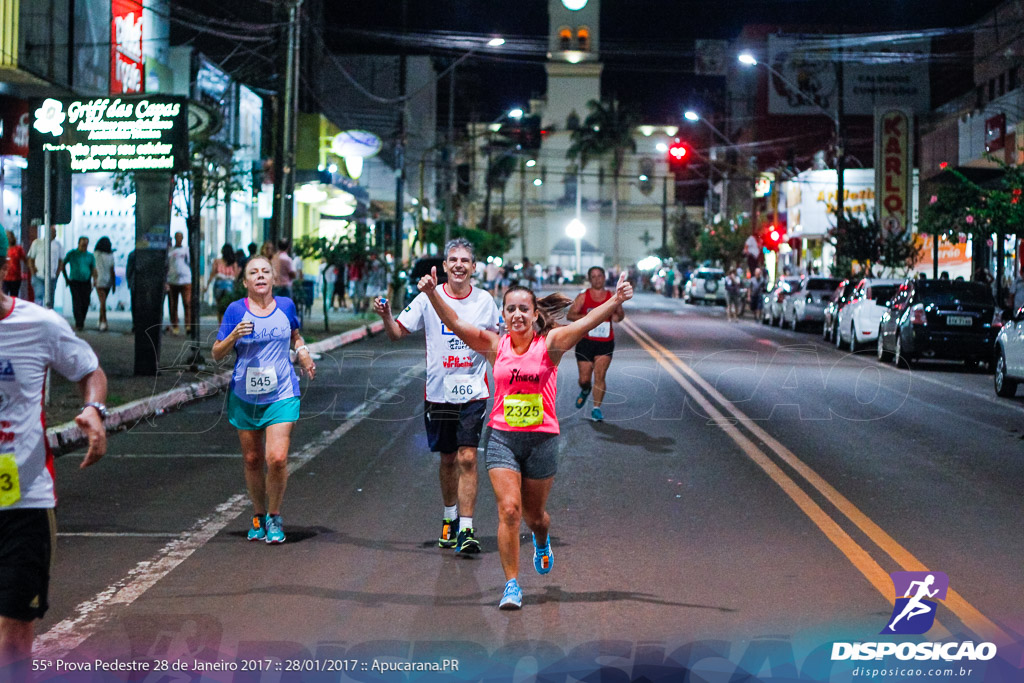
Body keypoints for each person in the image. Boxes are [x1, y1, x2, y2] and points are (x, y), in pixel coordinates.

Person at [418, 266, 633, 610]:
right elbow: (457, 324)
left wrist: (616, 300)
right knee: (509, 510)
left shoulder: (551, 344)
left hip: (542, 441)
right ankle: (512, 584)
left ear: (535, 315)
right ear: (502, 316)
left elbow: (587, 323)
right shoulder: (493, 344)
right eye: (510, 309)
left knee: (535, 516)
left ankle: (542, 539)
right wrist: (432, 294)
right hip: (502, 438)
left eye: (523, 309)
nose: (517, 315)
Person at [0, 228, 108, 676]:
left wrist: (93, 410)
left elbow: (91, 371)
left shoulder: (38, 325)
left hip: (23, 503)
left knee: (13, 638)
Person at [373, 238, 500, 554]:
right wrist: (386, 314)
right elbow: (396, 333)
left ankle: (467, 530)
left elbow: (497, 344)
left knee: (468, 457)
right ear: (444, 266)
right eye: (453, 259)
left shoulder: (484, 301)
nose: (459, 265)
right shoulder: (427, 297)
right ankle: (449, 518)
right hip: (439, 393)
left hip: (473, 391)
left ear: (473, 267)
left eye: (465, 260)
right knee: (447, 459)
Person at [212, 256, 316, 545]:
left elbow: (295, 335)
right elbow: (217, 353)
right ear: (245, 282)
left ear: (274, 279)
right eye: (253, 273)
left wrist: (304, 354)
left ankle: (274, 516)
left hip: (281, 392)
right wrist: (234, 335)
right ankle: (258, 515)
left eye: (265, 272)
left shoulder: (286, 306)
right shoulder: (235, 310)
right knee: (252, 458)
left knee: (277, 458)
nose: (260, 276)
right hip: (245, 394)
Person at [567, 266, 625, 422]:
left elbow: (619, 317)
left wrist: (617, 310)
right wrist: (588, 317)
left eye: (600, 276)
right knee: (584, 379)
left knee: (600, 375)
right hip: (585, 342)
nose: (597, 279)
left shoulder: (611, 296)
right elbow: (570, 315)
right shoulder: (583, 296)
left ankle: (596, 409)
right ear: (589, 279)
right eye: (593, 276)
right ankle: (585, 390)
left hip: (605, 343)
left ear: (604, 277)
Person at [62, 236, 97, 332]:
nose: (84, 246)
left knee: (85, 302)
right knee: (77, 301)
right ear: (79, 244)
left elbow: (93, 269)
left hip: (86, 282)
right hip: (75, 281)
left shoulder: (90, 256)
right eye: (83, 244)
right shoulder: (72, 254)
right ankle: (79, 322)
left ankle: (82, 319)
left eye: (86, 245)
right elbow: (63, 264)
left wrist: (95, 280)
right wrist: (66, 278)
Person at [26, 226, 62, 307]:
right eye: (53, 232)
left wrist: (57, 273)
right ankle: (39, 315)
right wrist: (33, 272)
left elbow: (61, 260)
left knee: (50, 298)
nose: (55, 234)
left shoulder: (58, 245)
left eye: (55, 232)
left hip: (52, 277)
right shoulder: (37, 243)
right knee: (38, 296)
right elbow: (30, 258)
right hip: (38, 276)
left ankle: (49, 315)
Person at [206, 244, 241, 325]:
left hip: (218, 284)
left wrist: (207, 286)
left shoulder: (217, 261)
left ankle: (220, 324)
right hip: (229, 285)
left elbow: (212, 274)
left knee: (220, 307)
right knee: (228, 306)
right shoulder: (233, 263)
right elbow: (235, 277)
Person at [166, 231, 192, 335]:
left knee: (187, 303)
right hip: (172, 280)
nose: (179, 239)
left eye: (180, 237)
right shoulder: (170, 250)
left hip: (185, 280)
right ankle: (175, 325)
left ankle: (188, 325)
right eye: (177, 237)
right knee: (173, 304)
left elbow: (189, 262)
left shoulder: (186, 250)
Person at [93, 237, 116, 332]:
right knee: (103, 301)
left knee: (102, 302)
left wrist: (93, 279)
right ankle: (101, 320)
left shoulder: (96, 254)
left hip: (99, 279)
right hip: (108, 280)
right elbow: (112, 270)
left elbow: (94, 268)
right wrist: (114, 284)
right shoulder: (111, 255)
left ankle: (103, 321)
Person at [3, 230, 26, 298]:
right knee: (4, 296)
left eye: (10, 236)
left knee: (14, 296)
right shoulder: (3, 249)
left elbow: (25, 260)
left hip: (15, 277)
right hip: (4, 277)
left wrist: (25, 271)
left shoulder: (18, 249)